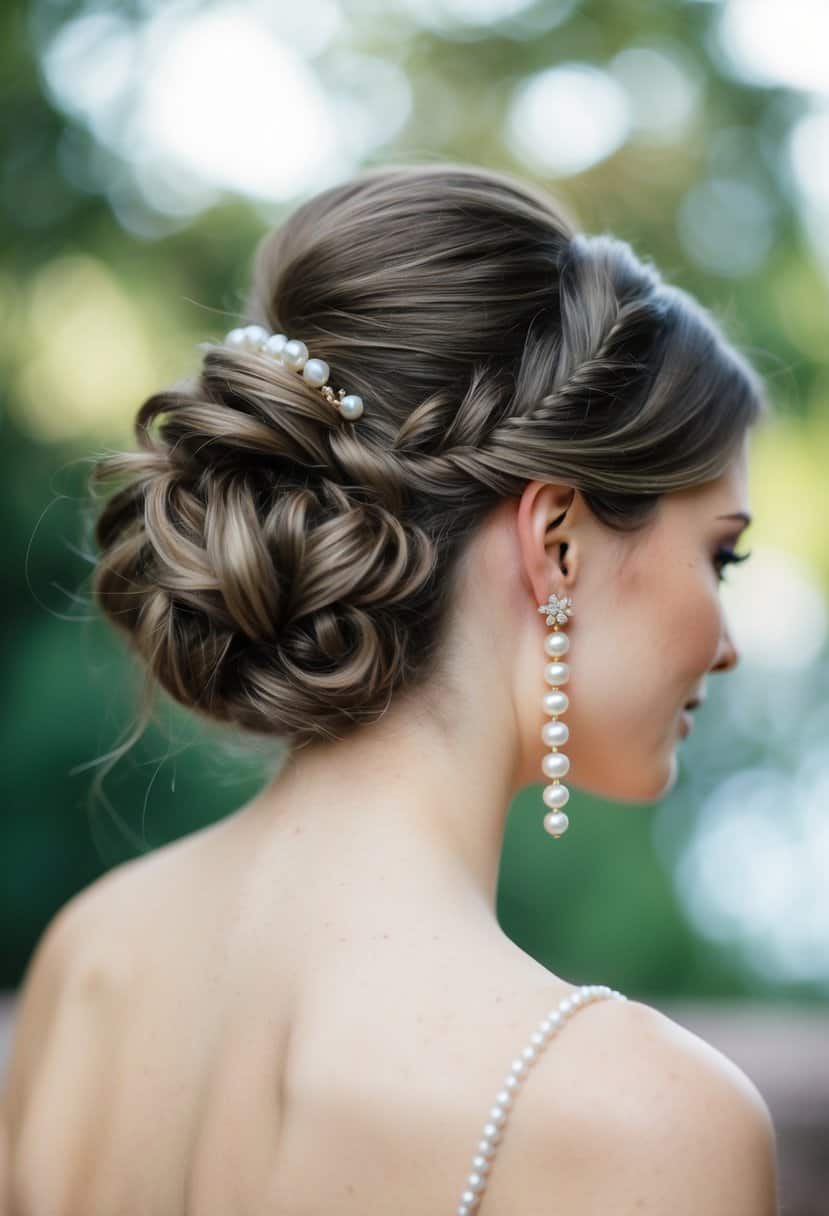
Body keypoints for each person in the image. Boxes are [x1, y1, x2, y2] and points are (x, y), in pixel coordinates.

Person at [1, 162, 779, 1214]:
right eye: (719, 557)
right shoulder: (637, 1117)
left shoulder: (88, 960)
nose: (726, 641)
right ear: (556, 539)